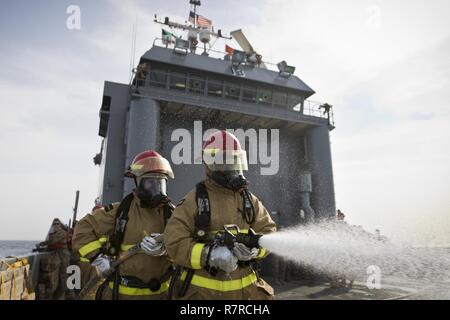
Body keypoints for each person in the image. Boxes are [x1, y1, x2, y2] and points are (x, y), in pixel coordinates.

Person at [165, 130, 277, 300]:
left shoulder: (249, 200)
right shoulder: (193, 200)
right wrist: (208, 255)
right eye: (223, 161)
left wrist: (255, 250)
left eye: (233, 160)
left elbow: (269, 232)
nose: (230, 166)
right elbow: (174, 241)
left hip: (246, 297)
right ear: (210, 164)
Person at [72, 150, 176, 300]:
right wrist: (98, 258)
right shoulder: (120, 212)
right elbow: (82, 230)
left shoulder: (173, 215)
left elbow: (187, 246)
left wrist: (166, 248)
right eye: (149, 182)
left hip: (161, 295)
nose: (156, 189)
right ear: (137, 181)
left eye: (160, 183)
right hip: (121, 294)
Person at [36, 218, 71, 300]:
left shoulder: (62, 233)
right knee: (58, 277)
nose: (55, 225)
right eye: (54, 224)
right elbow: (51, 245)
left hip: (64, 256)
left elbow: (52, 241)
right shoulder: (55, 233)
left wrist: (40, 244)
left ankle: (63, 296)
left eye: (57, 224)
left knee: (63, 277)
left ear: (60, 225)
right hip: (58, 255)